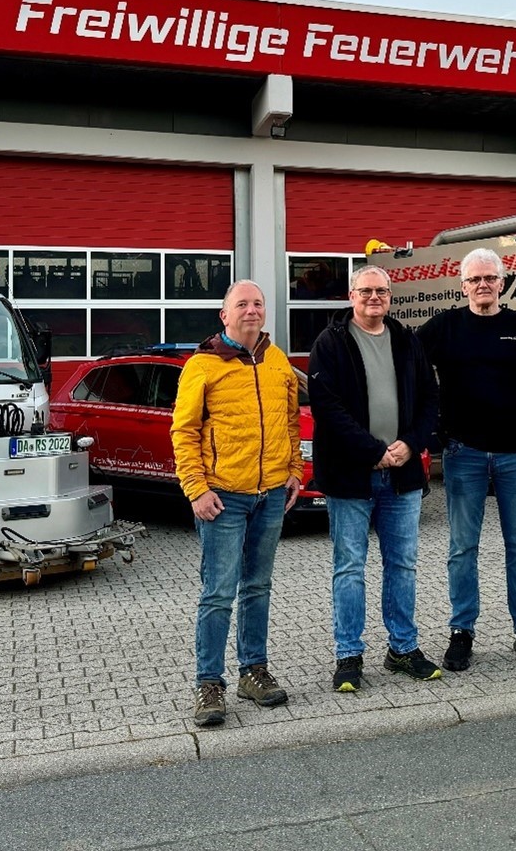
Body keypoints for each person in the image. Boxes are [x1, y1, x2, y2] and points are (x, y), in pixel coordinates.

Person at [418, 248, 516, 672]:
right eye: (475, 279)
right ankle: (462, 631)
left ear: (502, 283)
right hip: (464, 454)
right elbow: (406, 363)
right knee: (463, 547)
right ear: (463, 286)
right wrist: (432, 427)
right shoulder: (445, 326)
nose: (483, 285)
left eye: (490, 278)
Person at [171, 280, 304, 727]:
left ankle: (254, 671)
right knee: (218, 593)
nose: (251, 310)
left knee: (258, 587)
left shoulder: (277, 360)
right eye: (242, 304)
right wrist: (196, 488)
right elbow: (184, 430)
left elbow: (290, 420)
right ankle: (209, 683)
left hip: (271, 494)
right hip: (223, 497)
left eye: (257, 303)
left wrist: (294, 470)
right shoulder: (202, 365)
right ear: (224, 315)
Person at [308, 264, 442, 691]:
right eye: (365, 291)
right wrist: (373, 451)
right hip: (351, 476)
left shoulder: (406, 340)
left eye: (381, 291)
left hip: (402, 475)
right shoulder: (330, 343)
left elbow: (430, 399)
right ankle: (348, 655)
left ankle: (402, 648)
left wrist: (411, 443)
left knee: (402, 565)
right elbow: (327, 408)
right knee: (349, 568)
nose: (373, 298)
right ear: (351, 295)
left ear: (390, 295)